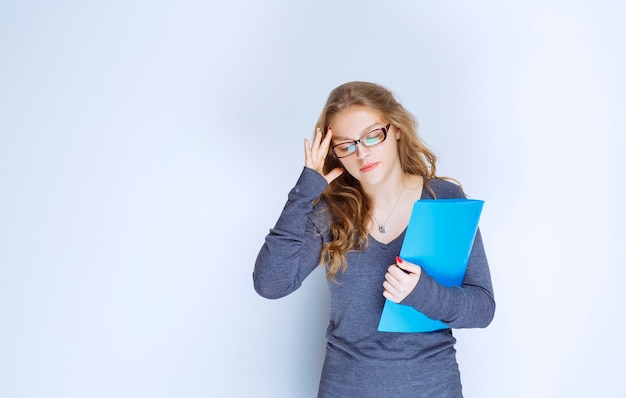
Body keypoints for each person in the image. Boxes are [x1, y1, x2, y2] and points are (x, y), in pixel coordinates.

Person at [253, 81, 495, 397]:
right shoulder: (330, 210)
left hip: (433, 388)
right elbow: (271, 284)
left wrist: (421, 292)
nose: (362, 152)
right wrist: (305, 190)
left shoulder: (444, 200)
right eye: (346, 145)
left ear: (395, 129)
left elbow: (482, 308)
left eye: (371, 135)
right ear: (334, 153)